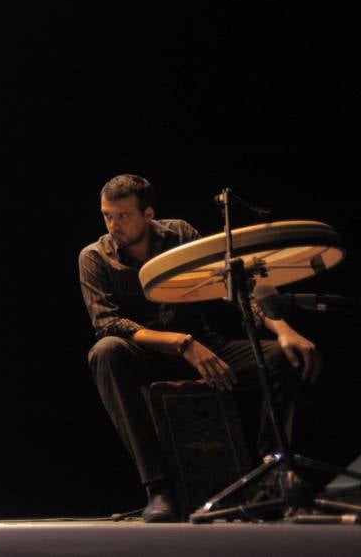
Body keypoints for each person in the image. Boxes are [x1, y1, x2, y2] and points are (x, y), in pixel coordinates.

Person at [80, 174, 320, 522]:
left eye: (123, 215)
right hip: (150, 355)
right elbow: (108, 322)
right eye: (107, 216)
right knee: (105, 351)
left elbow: (234, 286)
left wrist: (283, 329)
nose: (113, 224)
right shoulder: (94, 257)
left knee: (285, 355)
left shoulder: (179, 235)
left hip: (205, 348)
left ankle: (272, 477)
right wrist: (181, 344)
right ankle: (159, 489)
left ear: (148, 214)